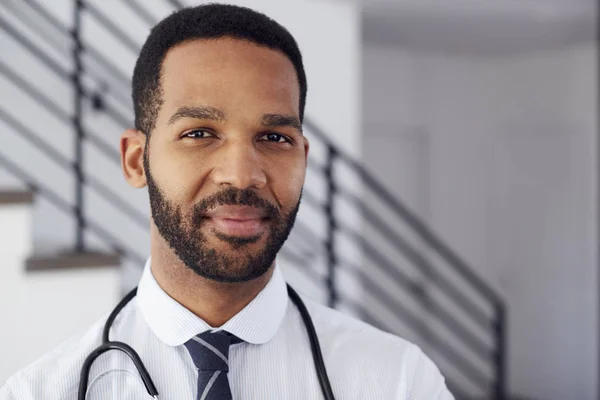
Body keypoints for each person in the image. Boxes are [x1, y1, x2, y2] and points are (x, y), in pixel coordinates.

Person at [0, 4, 453, 399]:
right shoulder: (39, 391)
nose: (242, 173)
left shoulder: (399, 381)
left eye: (274, 137)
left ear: (303, 158)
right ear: (137, 161)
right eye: (199, 133)